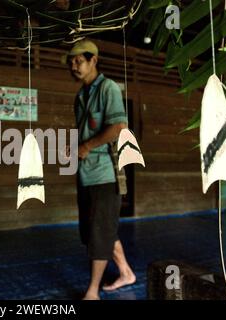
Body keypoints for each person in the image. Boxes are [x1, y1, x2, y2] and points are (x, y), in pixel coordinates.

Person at [65, 39, 136, 300]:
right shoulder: (80, 96)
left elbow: (118, 127)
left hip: (106, 174)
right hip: (86, 173)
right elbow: (84, 132)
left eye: (78, 61)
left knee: (98, 233)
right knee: (96, 230)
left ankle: (92, 292)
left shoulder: (108, 89)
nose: (73, 66)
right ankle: (126, 272)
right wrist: (76, 147)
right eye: (70, 62)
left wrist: (87, 145)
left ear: (93, 60)